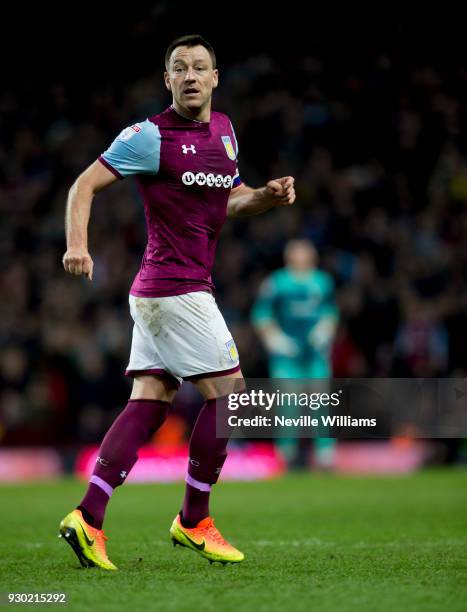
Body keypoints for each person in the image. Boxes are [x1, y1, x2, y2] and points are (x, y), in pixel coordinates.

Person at [59, 34, 295, 569]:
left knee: (149, 402)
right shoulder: (148, 136)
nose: (190, 76)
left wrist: (264, 196)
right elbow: (83, 185)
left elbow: (229, 200)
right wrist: (78, 244)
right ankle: (193, 520)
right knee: (232, 397)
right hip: (174, 288)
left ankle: (88, 516)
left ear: (215, 78)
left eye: (199, 67)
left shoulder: (226, 132)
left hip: (168, 291)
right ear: (167, 80)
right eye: (179, 68)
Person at [251, 239, 337, 469]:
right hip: (287, 357)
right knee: (288, 405)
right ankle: (285, 455)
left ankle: (325, 455)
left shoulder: (323, 281)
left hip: (315, 355)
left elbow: (331, 313)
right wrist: (274, 339)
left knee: (321, 404)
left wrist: (324, 331)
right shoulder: (276, 283)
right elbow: (261, 315)